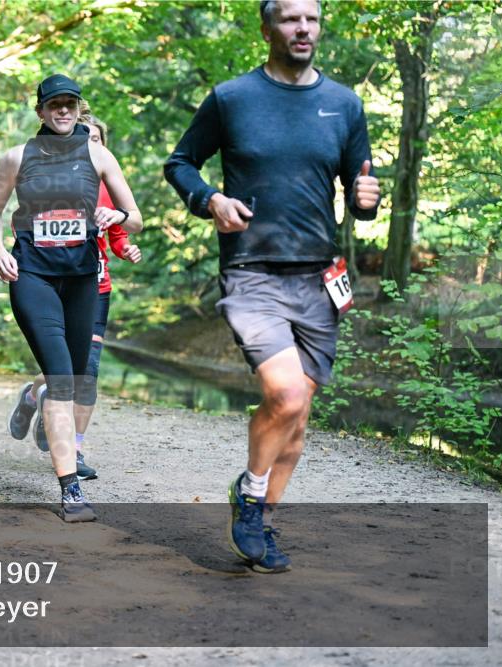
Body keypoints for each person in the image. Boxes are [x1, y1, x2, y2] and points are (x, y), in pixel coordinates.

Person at [164, 0, 381, 572]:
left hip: (319, 277)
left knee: (299, 417)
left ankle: (259, 510)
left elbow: (360, 189)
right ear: (267, 28)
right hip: (252, 272)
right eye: (289, 18)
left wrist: (367, 203)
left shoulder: (343, 104)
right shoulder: (233, 98)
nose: (302, 27)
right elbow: (180, 162)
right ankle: (252, 500)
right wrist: (208, 198)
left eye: (310, 18)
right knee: (284, 396)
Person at [0, 74, 143, 522]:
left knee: (75, 379)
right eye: (54, 104)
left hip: (81, 281)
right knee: (60, 378)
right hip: (32, 275)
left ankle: (34, 404)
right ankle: (70, 488)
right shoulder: (16, 157)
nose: (63, 111)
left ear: (78, 107)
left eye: (70, 104)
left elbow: (136, 220)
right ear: (40, 111)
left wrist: (118, 215)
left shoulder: (99, 155)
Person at [8, 113, 142, 481]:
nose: (90, 145)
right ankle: (35, 396)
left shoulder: (105, 184)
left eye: (97, 140)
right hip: (52, 280)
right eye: (88, 138)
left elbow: (122, 231)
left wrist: (124, 245)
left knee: (87, 372)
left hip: (94, 285)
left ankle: (76, 448)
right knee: (62, 369)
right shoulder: (47, 181)